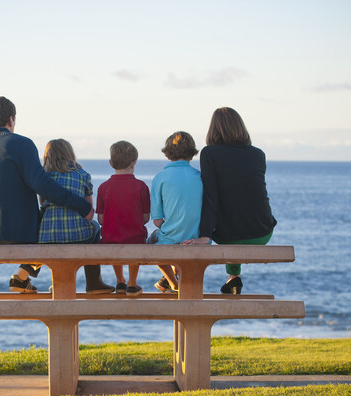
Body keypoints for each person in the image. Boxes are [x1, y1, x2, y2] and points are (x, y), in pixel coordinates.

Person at [0, 96, 93, 295]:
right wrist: (81, 206)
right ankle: (22, 274)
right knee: (47, 222)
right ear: (11, 120)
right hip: (20, 234)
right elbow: (42, 184)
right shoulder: (21, 144)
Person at [183, 107, 277, 294]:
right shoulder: (258, 154)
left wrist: (204, 236)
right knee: (237, 219)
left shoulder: (210, 153)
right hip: (264, 232)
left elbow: (211, 197)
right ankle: (233, 277)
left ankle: (176, 276)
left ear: (214, 130)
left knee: (229, 232)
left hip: (229, 236)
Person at [38, 139, 114, 294]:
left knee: (58, 242)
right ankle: (94, 282)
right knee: (94, 227)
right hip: (77, 235)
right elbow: (89, 212)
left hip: (48, 237)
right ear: (69, 154)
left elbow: (42, 205)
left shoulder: (43, 178)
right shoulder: (82, 175)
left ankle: (60, 281)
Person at [149, 132, 202, 293]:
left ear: (168, 153)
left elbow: (157, 221)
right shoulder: (200, 177)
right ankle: (168, 280)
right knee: (177, 242)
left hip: (171, 237)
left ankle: (172, 282)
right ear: (192, 154)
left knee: (152, 243)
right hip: (197, 237)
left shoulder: (160, 177)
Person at [96, 141, 150, 296]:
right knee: (136, 239)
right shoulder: (141, 186)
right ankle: (132, 283)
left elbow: (100, 220)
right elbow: (145, 218)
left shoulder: (103, 187)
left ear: (111, 163)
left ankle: (120, 281)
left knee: (113, 236)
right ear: (134, 163)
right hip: (135, 239)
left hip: (110, 240)